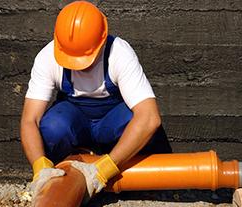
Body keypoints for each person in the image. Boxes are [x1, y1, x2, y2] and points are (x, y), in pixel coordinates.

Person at [20, 0, 172, 200]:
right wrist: (39, 166)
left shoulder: (119, 54)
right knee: (53, 126)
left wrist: (104, 169)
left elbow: (150, 117)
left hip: (111, 122)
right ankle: (66, 175)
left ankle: (115, 169)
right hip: (76, 120)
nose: (79, 66)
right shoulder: (47, 57)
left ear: (101, 41)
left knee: (137, 124)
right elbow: (29, 120)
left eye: (85, 58)